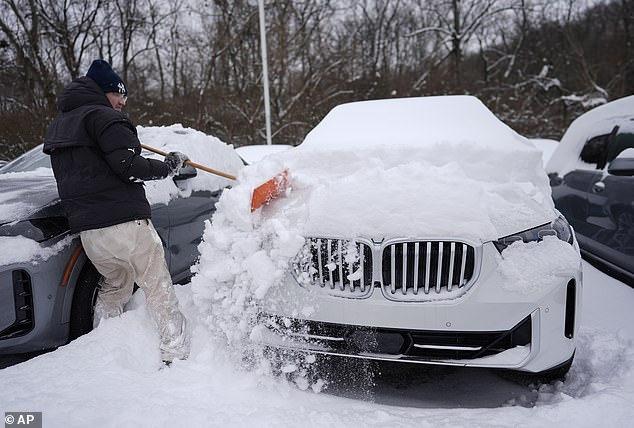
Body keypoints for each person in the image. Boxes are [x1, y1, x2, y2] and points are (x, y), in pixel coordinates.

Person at [43, 59, 190, 365]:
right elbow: (128, 166)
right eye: (119, 95)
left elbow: (97, 165)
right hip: (124, 223)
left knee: (116, 285)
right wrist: (168, 166)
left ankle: (105, 349)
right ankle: (175, 354)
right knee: (157, 283)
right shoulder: (105, 117)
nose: (123, 102)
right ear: (104, 92)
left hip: (90, 231)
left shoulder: (61, 125)